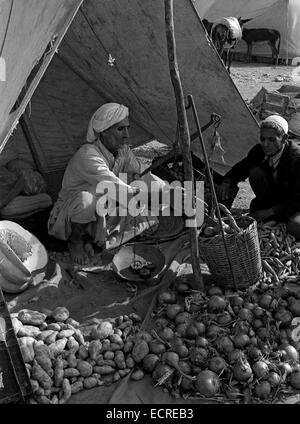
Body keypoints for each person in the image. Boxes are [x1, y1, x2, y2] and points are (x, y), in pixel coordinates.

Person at [48, 102, 169, 265]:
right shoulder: (87, 155)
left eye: (127, 128)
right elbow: (116, 188)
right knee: (86, 200)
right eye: (120, 129)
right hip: (70, 216)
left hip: (101, 213)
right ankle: (76, 241)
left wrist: (163, 189)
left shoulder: (123, 151)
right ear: (103, 131)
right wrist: (150, 195)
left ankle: (93, 240)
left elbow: (137, 178)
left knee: (149, 219)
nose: (126, 135)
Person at [218, 114, 300, 239]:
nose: (265, 144)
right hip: (275, 199)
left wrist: (271, 211)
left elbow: (298, 198)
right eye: (263, 139)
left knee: (295, 226)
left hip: (294, 204)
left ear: (284, 138)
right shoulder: (260, 150)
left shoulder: (296, 159)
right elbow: (242, 167)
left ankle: (276, 217)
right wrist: (227, 182)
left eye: (271, 140)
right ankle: (272, 217)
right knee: (255, 172)